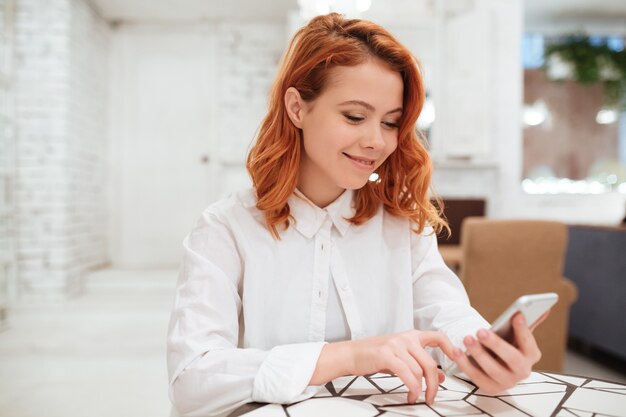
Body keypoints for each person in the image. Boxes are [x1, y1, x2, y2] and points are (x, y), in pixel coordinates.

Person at [167, 13, 546, 417]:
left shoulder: (403, 225)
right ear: (297, 107)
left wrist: (487, 355)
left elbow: (448, 317)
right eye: (354, 116)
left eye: (391, 122)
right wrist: (351, 356)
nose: (376, 141)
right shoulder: (226, 227)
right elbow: (193, 380)